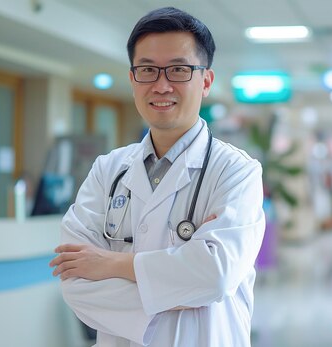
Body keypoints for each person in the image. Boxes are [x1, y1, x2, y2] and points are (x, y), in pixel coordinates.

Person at [49, 7, 265, 347]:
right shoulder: (108, 170)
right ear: (134, 79)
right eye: (148, 70)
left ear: (205, 81)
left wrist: (112, 264)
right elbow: (75, 282)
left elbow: (216, 274)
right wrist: (182, 286)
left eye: (178, 70)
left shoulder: (236, 171)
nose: (162, 85)